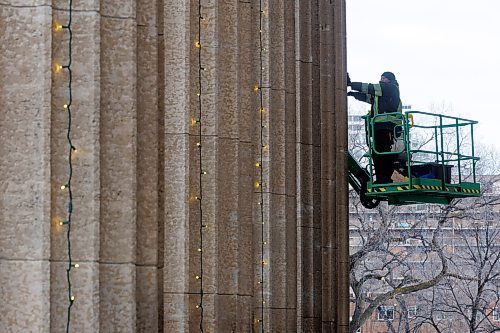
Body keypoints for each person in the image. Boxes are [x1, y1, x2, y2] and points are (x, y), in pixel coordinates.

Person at [347, 72, 402, 184]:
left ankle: (385, 178)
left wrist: (351, 84)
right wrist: (354, 94)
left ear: (390, 80)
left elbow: (369, 88)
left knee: (382, 153)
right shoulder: (383, 93)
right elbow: (369, 97)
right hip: (380, 127)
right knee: (378, 153)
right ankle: (382, 178)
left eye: (383, 78)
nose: (381, 80)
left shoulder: (391, 88)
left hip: (386, 126)